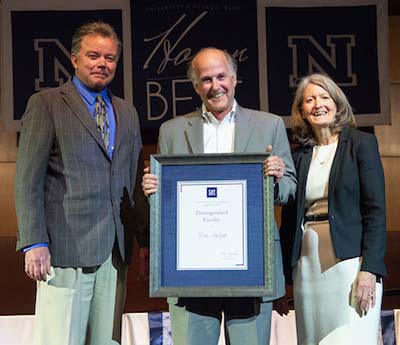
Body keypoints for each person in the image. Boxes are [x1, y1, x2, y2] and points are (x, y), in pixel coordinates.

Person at [142, 47, 297, 345]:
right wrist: (153, 192)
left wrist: (276, 177)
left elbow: (289, 190)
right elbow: (169, 205)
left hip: (253, 266)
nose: (216, 86)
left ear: (235, 79)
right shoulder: (172, 131)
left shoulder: (270, 125)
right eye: (206, 79)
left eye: (221, 76)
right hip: (191, 271)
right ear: (196, 86)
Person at [14, 21, 149, 345]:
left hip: (114, 251)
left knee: (106, 340)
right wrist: (34, 242)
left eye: (110, 58)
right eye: (94, 55)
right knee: (60, 339)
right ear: (74, 59)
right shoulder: (47, 103)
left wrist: (144, 241)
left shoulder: (126, 112)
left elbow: (133, 183)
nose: (102, 63)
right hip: (63, 248)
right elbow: (27, 179)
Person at [279, 73, 387, 344]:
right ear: (302, 111)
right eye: (309, 100)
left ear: (337, 103)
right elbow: (289, 221)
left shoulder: (362, 144)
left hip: (351, 268)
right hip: (307, 268)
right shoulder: (298, 156)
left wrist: (369, 269)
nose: (318, 104)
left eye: (324, 97)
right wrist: (280, 280)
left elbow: (375, 211)